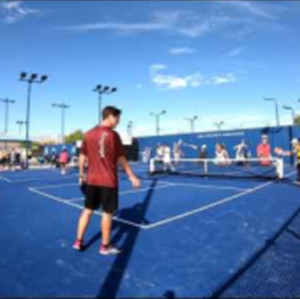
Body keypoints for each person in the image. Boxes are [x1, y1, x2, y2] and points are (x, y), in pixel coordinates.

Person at [73, 106, 141, 255]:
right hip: (108, 181)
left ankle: (78, 242)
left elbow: (83, 156)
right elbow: (121, 158)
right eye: (117, 118)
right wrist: (131, 176)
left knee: (87, 210)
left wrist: (80, 174)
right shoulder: (113, 135)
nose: (118, 121)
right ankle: (105, 246)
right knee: (107, 213)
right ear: (110, 116)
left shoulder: (88, 134)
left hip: (91, 180)